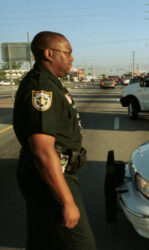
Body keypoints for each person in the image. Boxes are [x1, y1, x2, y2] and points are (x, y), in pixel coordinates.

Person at [13, 31, 96, 250]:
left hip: (49, 175)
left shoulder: (52, 84)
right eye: (67, 53)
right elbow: (42, 151)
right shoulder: (42, 89)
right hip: (50, 177)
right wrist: (67, 202)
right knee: (81, 244)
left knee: (44, 241)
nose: (72, 58)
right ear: (49, 54)